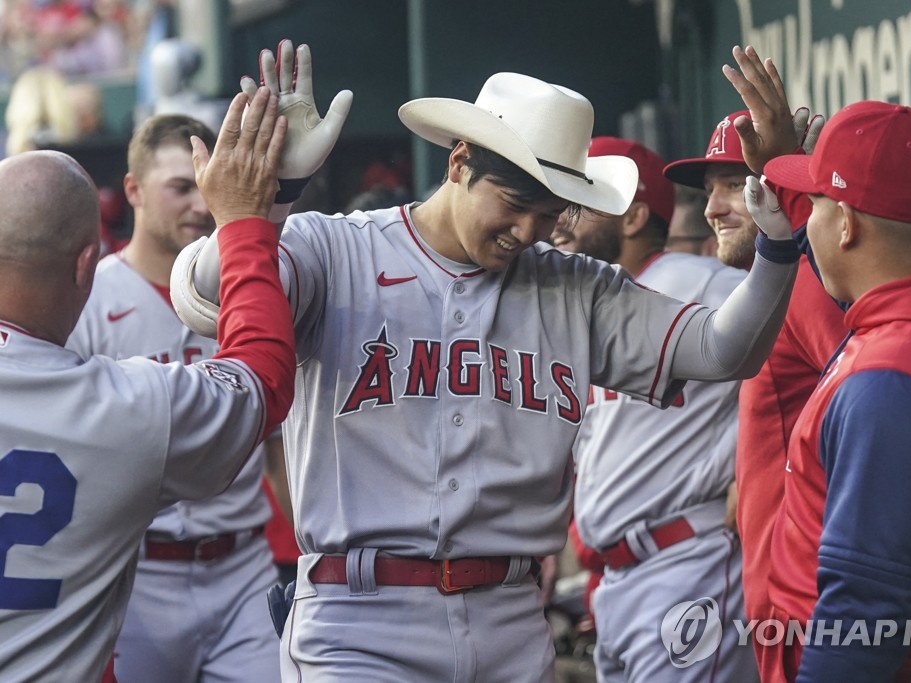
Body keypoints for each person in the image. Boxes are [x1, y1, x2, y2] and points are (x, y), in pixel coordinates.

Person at [171, 41, 802, 682]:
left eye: (550, 212)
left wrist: (778, 244)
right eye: (513, 201)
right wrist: (272, 203)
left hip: (512, 622)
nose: (529, 230)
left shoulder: (574, 285)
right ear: (459, 161)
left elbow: (728, 349)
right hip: (359, 621)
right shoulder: (333, 250)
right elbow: (206, 293)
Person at [728, 45, 911, 681]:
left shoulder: (899, 379)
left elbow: (860, 621)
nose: (806, 219)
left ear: (848, 225)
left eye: (818, 204)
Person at [0, 89, 294, 682]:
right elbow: (261, 379)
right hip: (133, 579)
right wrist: (254, 218)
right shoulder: (121, 403)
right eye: (178, 187)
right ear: (85, 263)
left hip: (234, 562)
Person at [663, 102, 847, 664]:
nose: (713, 208)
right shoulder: (765, 290)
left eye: (733, 184)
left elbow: (863, 394)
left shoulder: (805, 286)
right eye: (710, 189)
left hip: (807, 590)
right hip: (779, 585)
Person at [568, 136, 756, 681]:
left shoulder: (706, 283)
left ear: (633, 217)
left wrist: (756, 468)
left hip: (686, 560)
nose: (562, 217)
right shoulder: (579, 305)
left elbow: (811, 365)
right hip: (616, 582)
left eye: (581, 202)